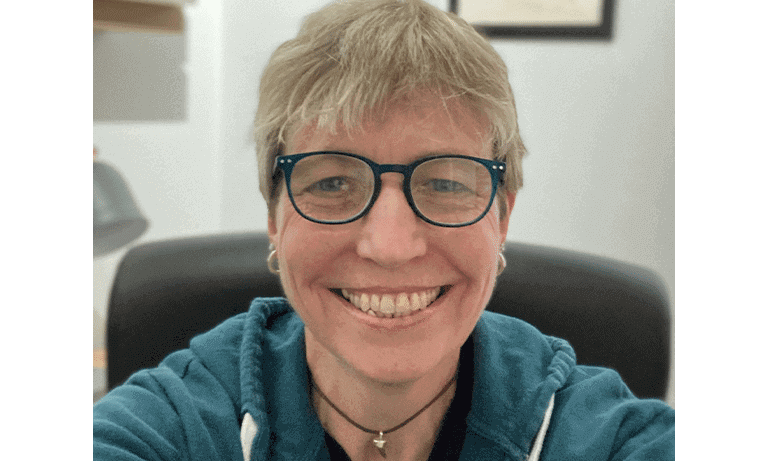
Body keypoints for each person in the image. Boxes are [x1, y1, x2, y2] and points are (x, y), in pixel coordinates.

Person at [93, 0, 675, 460]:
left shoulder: (605, 436)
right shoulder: (172, 423)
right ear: (274, 218)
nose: (391, 247)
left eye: (446, 183)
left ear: (502, 218)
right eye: (331, 183)